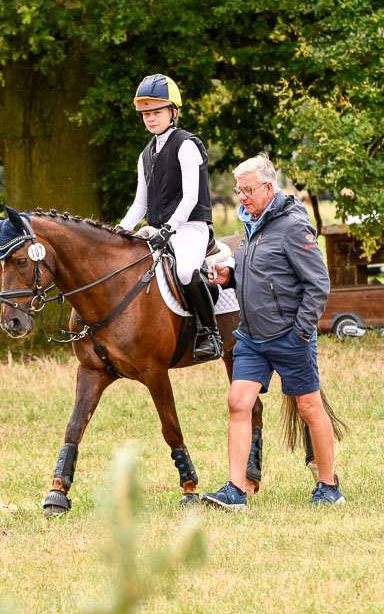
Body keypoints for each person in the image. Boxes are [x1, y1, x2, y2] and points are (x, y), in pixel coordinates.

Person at [202, 154, 345, 508]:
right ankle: (236, 490)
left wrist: (300, 332)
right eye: (238, 190)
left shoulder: (293, 226)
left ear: (268, 187)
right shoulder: (252, 222)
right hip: (251, 337)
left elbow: (318, 283)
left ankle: (329, 488)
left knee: (309, 408)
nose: (242, 197)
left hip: (289, 337)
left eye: (248, 190)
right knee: (238, 402)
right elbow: (265, 274)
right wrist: (230, 276)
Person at [117, 74, 223, 361]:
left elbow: (190, 197)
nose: (151, 119)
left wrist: (168, 228)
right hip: (159, 229)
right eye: (146, 114)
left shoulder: (187, 145)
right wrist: (121, 230)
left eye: (157, 112)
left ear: (173, 112)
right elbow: (140, 203)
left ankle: (210, 333)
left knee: (187, 271)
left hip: (190, 226)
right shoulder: (145, 154)